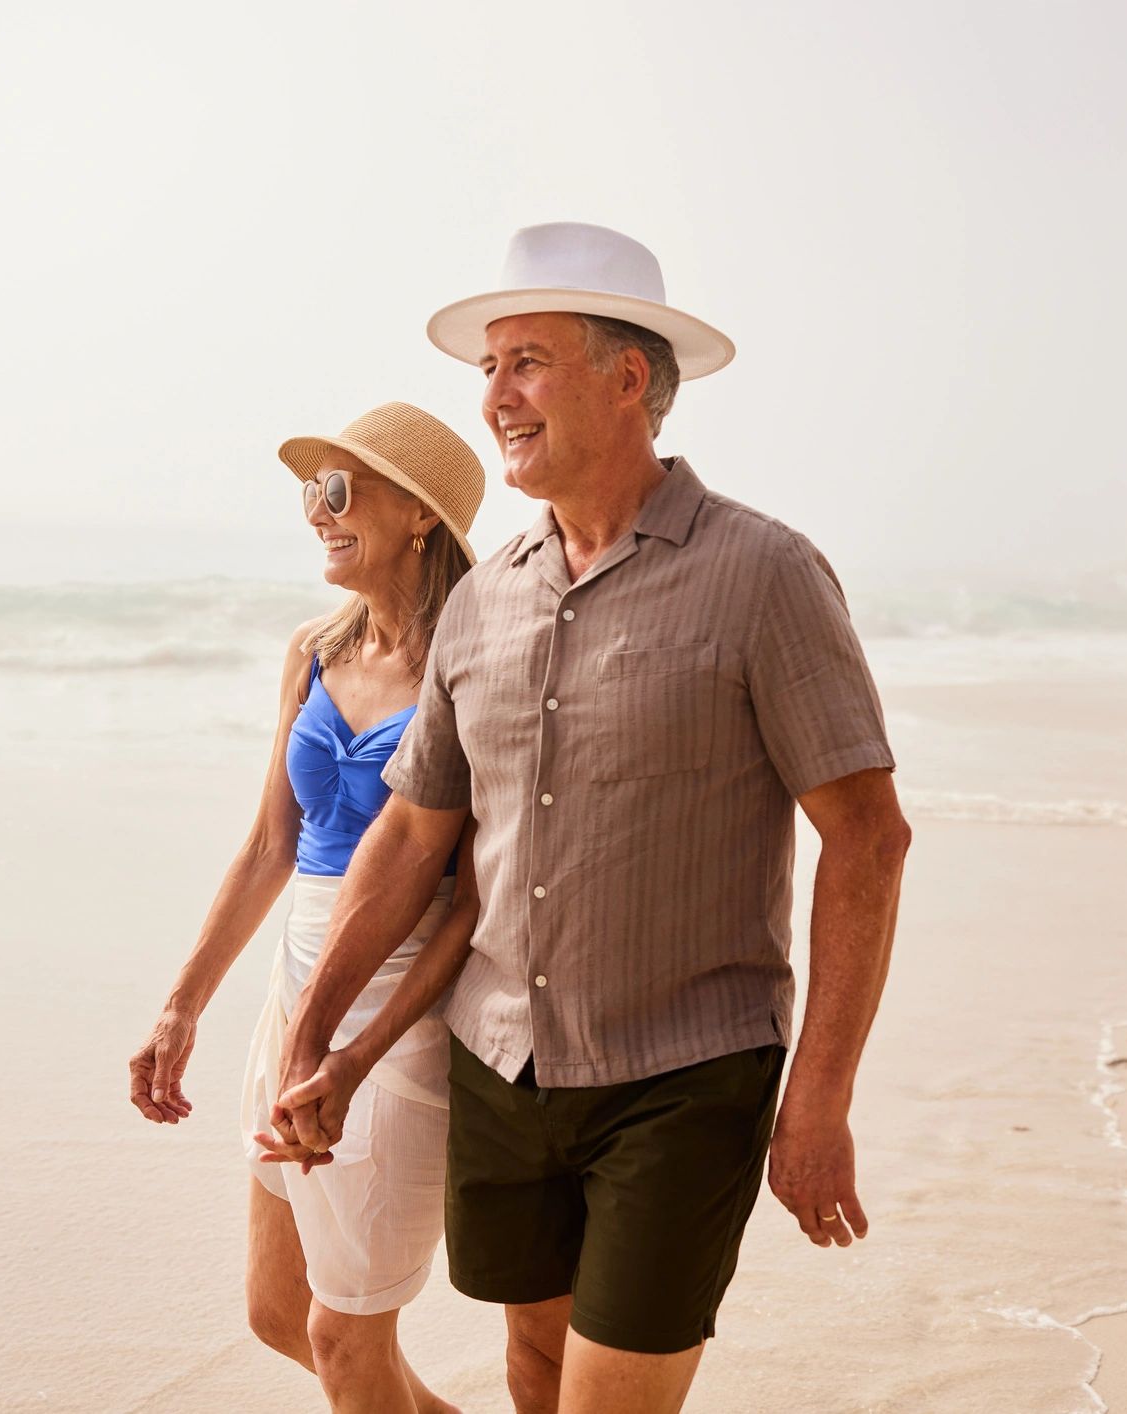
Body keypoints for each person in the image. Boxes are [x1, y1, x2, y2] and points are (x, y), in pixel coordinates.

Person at [266, 224, 912, 1414]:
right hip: (501, 1065)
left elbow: (868, 836)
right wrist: (314, 1036)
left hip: (685, 1070)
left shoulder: (764, 573)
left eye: (526, 362)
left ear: (628, 378)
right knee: (531, 1369)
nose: (494, 397)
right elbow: (412, 836)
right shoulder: (482, 602)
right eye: (490, 366)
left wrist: (818, 1098)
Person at [128, 402, 486, 1414]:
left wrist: (363, 1045)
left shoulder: (473, 666)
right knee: (280, 1311)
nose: (316, 515)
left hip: (395, 1024)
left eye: (338, 491)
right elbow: (266, 847)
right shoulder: (313, 650)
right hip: (291, 1002)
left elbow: (473, 903)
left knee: (343, 1330)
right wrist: (182, 1004)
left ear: (420, 515)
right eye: (308, 494)